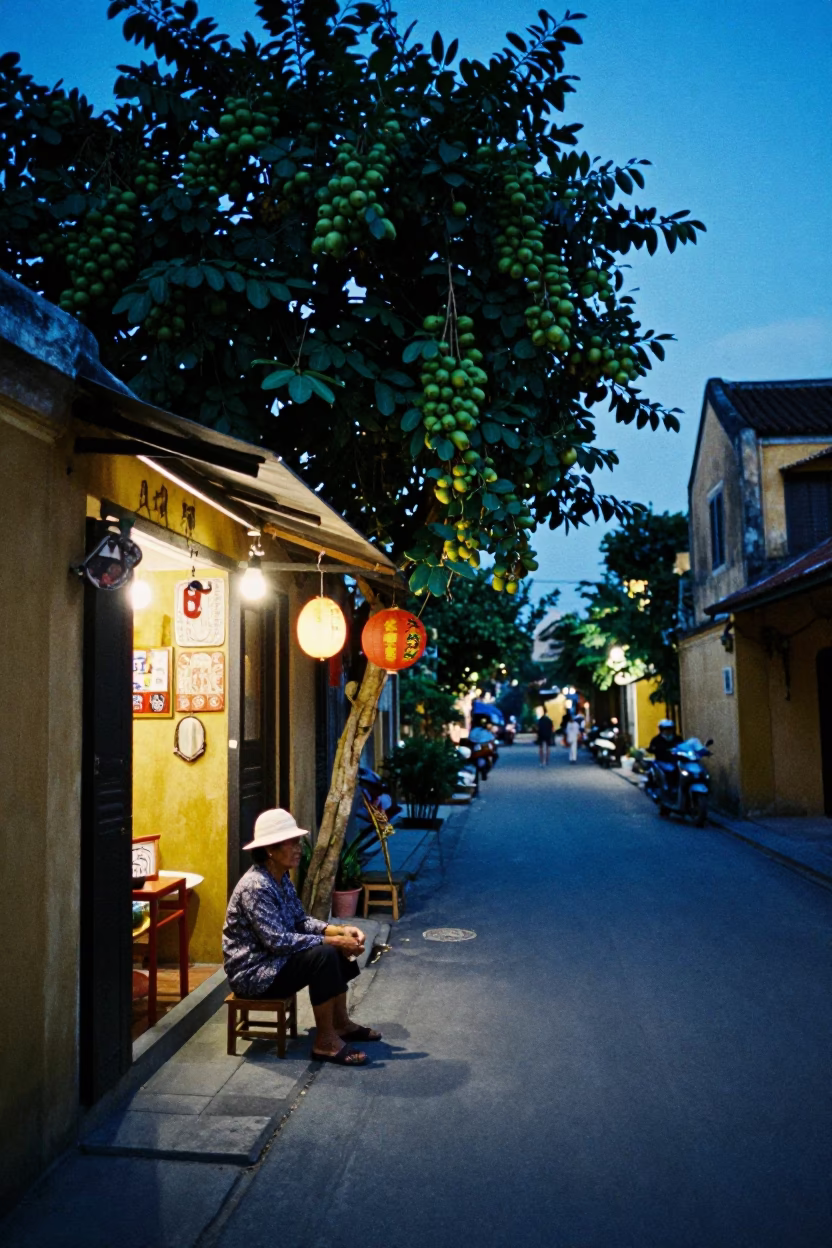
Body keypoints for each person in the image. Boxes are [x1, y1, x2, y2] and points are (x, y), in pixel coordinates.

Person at [222, 808, 381, 1067]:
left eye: (298, 842)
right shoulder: (256, 886)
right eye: (292, 843)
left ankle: (341, 1024)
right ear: (270, 850)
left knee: (333, 947)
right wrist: (332, 941)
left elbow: (300, 921)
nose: (298, 848)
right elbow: (276, 941)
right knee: (325, 954)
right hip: (254, 973)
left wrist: (340, 931)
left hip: (275, 963)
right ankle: (326, 1041)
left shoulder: (280, 878)